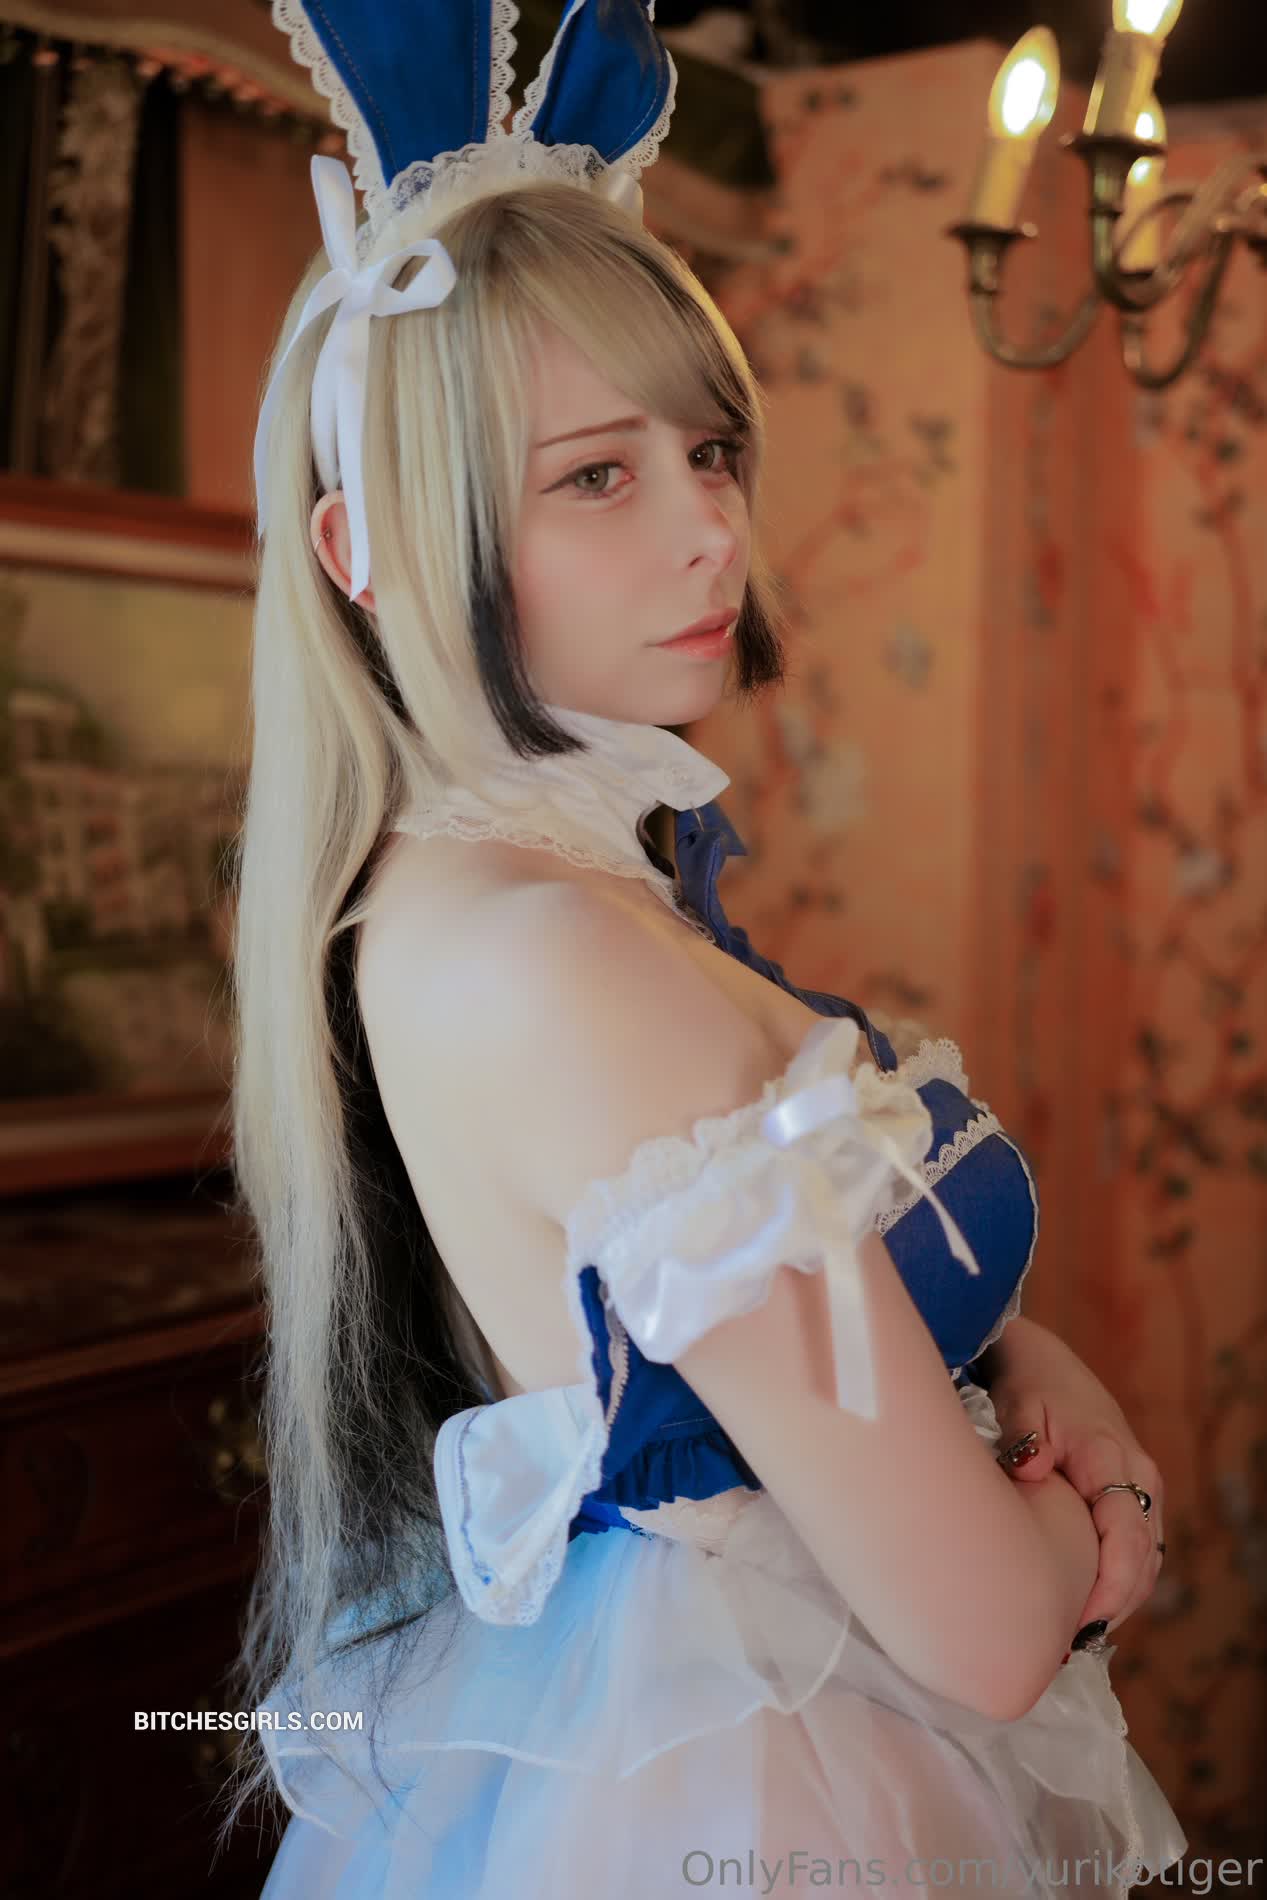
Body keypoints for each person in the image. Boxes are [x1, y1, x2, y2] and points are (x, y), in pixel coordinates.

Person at [224, 2, 1189, 1893]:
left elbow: (775, 1330)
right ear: (367, 547)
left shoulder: (541, 886)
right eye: (598, 475)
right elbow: (993, 1633)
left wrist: (1031, 1361)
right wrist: (1112, 1511)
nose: (710, 533)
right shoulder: (552, 957)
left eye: (711, 450)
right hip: (756, 1803)